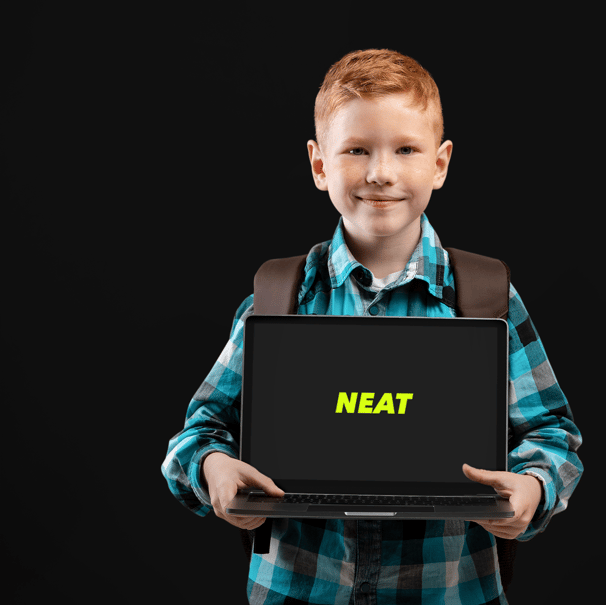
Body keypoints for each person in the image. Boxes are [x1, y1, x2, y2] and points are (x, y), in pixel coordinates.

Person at [161, 49, 583, 604]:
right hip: (298, 591)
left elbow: (554, 435)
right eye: (356, 149)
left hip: (449, 594)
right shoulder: (279, 299)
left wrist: (534, 486)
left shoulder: (486, 299)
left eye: (406, 149)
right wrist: (212, 469)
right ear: (319, 165)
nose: (380, 172)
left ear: (440, 163)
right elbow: (195, 436)